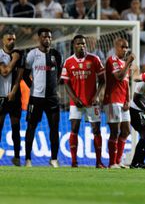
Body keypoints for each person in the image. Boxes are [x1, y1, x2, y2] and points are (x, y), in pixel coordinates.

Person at [61, 35, 106, 168]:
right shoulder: (68, 62)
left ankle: (99, 162)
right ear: (73, 45)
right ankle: (74, 162)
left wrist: (97, 96)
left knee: (96, 130)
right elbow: (66, 83)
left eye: (84, 44)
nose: (82, 46)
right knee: (74, 129)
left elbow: (103, 80)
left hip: (92, 102)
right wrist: (74, 99)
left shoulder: (94, 59)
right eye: (79, 44)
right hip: (76, 103)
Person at [23, 28, 62, 168]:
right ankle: (28, 159)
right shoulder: (32, 55)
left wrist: (52, 88)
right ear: (39, 38)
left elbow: (59, 74)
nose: (47, 39)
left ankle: (54, 159)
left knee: (54, 128)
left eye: (50, 37)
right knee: (31, 127)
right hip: (36, 98)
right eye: (45, 37)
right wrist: (32, 86)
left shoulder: (56, 55)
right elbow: (25, 74)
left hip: (52, 99)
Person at [103, 38, 135, 168]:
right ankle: (112, 163)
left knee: (126, 130)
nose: (125, 50)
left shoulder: (123, 62)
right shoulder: (112, 60)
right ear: (116, 47)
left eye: (127, 47)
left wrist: (128, 99)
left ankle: (118, 161)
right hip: (112, 100)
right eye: (123, 47)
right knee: (114, 131)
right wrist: (128, 63)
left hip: (123, 101)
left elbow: (126, 83)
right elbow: (119, 77)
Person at [0, 29, 23, 166]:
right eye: (9, 39)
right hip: (1, 96)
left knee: (16, 128)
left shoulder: (20, 54)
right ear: (3, 40)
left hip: (14, 97)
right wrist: (14, 59)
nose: (12, 41)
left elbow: (20, 75)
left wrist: (14, 91)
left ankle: (16, 157)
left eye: (14, 39)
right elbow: (4, 72)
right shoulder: (3, 55)